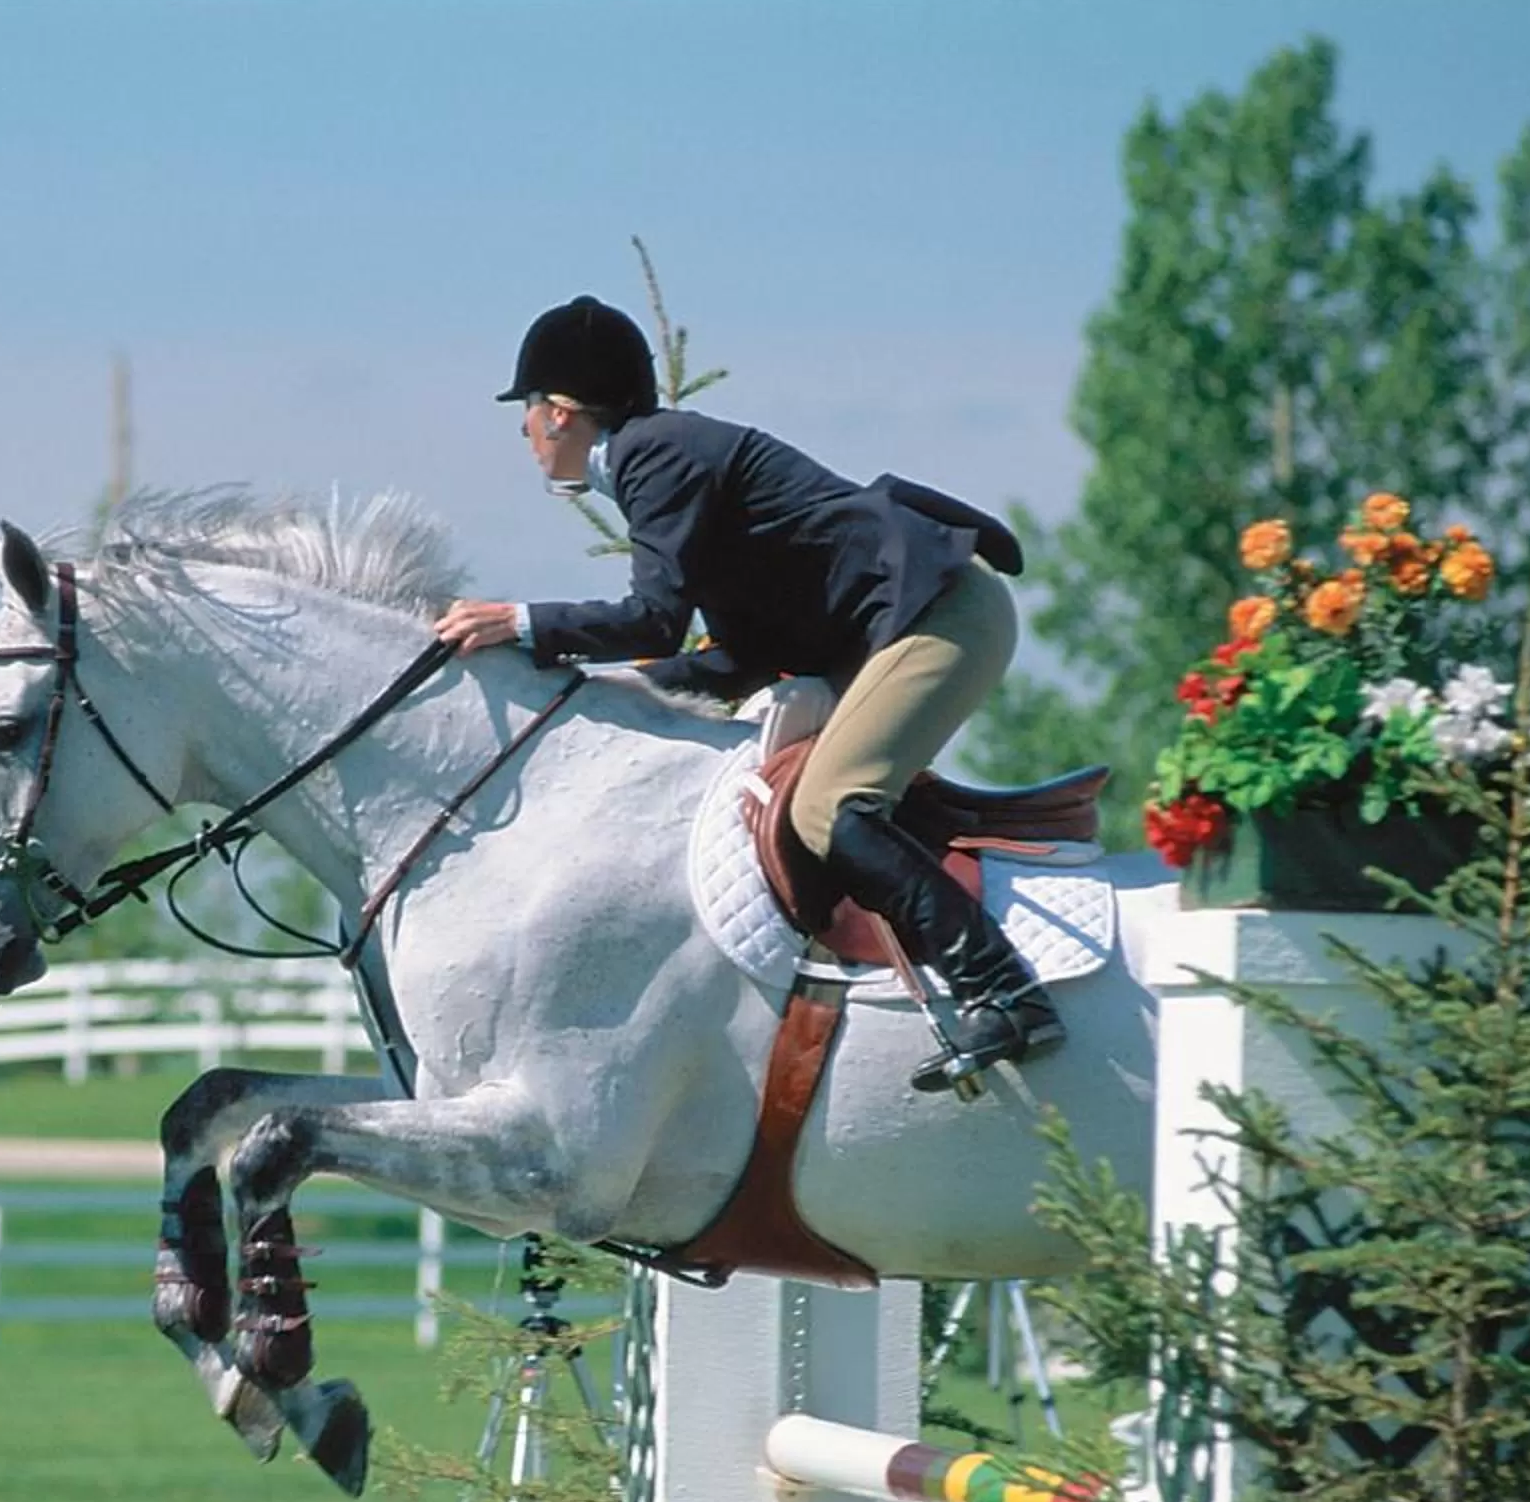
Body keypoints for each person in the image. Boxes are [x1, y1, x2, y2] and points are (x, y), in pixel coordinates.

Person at [431, 294, 1062, 1092]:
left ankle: (1003, 992)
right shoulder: (660, 458)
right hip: (894, 624)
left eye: (524, 412)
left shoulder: (651, 453)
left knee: (830, 809)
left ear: (559, 413)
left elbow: (654, 621)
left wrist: (520, 623)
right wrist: (592, 691)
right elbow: (733, 661)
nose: (521, 433)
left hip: (941, 614)